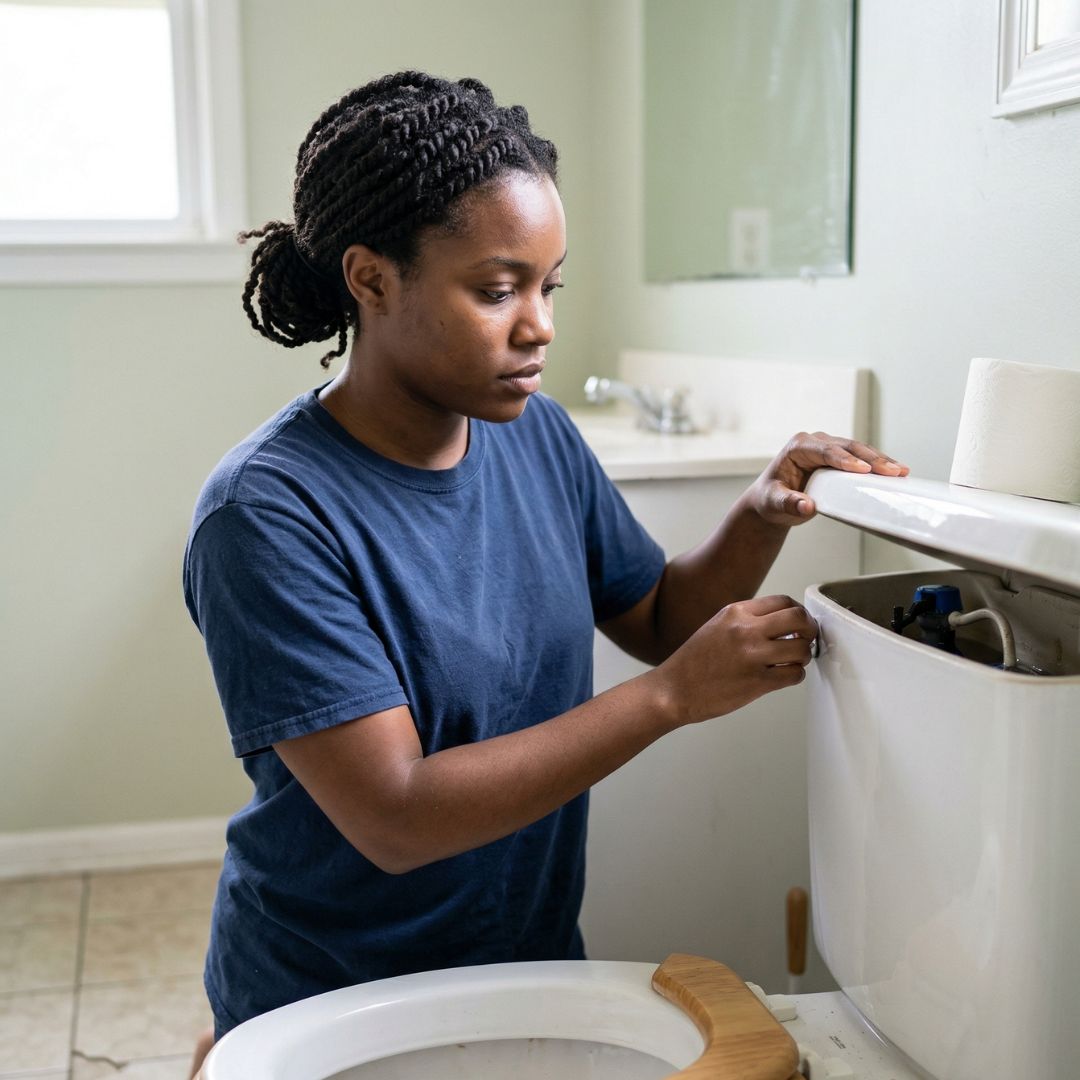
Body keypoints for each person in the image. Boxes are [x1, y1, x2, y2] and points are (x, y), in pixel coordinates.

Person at [183, 70, 907, 1075]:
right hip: (333, 993)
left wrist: (756, 515)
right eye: (496, 289)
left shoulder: (538, 438)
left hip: (520, 959)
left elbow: (655, 614)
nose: (541, 325)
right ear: (372, 278)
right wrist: (667, 701)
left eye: (548, 283)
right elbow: (395, 816)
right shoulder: (265, 514)